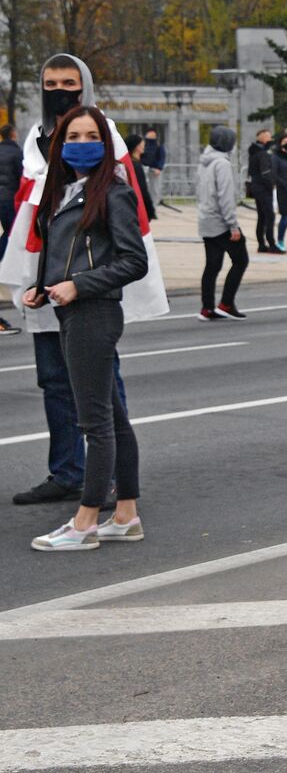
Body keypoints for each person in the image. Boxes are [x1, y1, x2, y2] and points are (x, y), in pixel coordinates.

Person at [2, 53, 154, 505]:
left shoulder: (103, 137)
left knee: (103, 395)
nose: (59, 92)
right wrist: (34, 280)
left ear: (84, 85)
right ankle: (68, 472)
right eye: (50, 84)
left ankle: (111, 485)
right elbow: (36, 217)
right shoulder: (36, 140)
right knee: (53, 381)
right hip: (49, 284)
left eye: (69, 83)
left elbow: (128, 222)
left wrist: (87, 282)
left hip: (89, 293)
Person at [23, 105, 147, 550]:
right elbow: (63, 253)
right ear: (59, 145)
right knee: (114, 418)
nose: (81, 144)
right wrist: (42, 287)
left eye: (91, 136)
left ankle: (85, 522)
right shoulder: (63, 191)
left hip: (94, 313)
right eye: (73, 137)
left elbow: (134, 261)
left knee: (95, 423)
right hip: (74, 311)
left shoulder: (113, 191)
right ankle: (126, 516)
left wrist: (79, 285)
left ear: (105, 143)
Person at [197, 126, 249, 321]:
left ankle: (207, 308)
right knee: (241, 260)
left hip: (206, 219)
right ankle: (226, 303)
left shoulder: (204, 162)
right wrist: (232, 225)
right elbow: (225, 196)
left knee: (212, 265)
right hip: (220, 221)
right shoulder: (222, 164)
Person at [247, 129, 282, 254]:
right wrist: (272, 184)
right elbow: (265, 172)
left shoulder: (254, 152)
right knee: (269, 216)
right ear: (261, 138)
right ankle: (271, 243)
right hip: (264, 188)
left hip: (256, 188)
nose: (271, 139)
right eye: (268, 137)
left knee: (261, 217)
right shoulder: (262, 153)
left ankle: (261, 244)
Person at [0, 123, 19, 333]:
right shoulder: (16, 152)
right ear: (13, 134)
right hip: (11, 200)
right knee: (11, 234)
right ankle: (8, 262)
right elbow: (20, 176)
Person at [122, 134, 157, 222]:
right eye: (142, 144)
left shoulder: (129, 163)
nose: (144, 146)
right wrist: (150, 209)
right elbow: (142, 188)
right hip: (137, 206)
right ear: (137, 147)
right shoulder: (135, 166)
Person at [140, 128, 165, 206]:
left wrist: (159, 168)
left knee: (155, 189)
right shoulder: (143, 144)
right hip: (144, 168)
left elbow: (162, 157)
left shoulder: (159, 145)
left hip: (154, 169)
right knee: (144, 187)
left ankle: (153, 205)